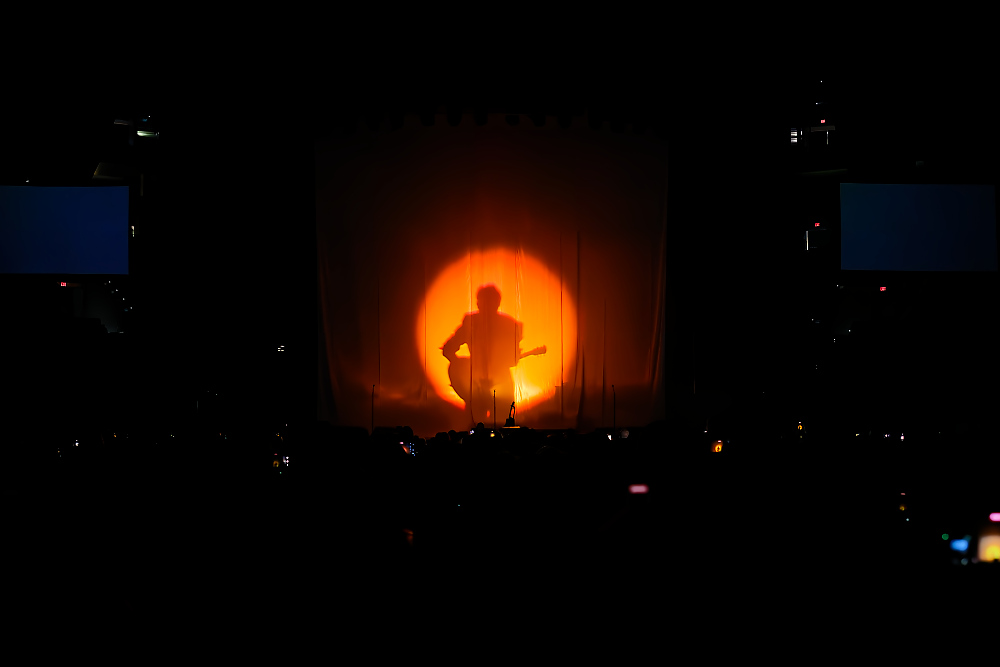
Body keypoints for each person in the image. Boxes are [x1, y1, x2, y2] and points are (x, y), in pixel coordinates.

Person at [442, 285, 525, 422]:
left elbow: (448, 349)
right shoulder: (474, 322)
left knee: (485, 424)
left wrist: (459, 368)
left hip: (486, 384)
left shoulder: (507, 325)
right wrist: (460, 368)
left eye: (489, 301)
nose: (485, 305)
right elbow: (449, 348)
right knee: (498, 423)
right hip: (483, 384)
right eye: (483, 301)